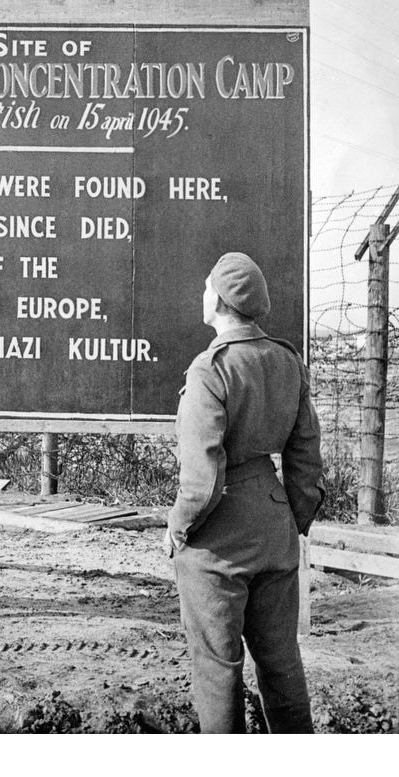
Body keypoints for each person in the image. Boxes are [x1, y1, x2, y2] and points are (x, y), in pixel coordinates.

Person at [165, 251, 326, 733]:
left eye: (206, 286)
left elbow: (202, 479)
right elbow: (306, 461)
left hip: (218, 541)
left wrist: (178, 529)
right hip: (275, 527)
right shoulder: (286, 361)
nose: (202, 294)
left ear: (219, 299)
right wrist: (289, 521)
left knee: (217, 669)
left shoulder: (209, 369)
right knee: (281, 664)